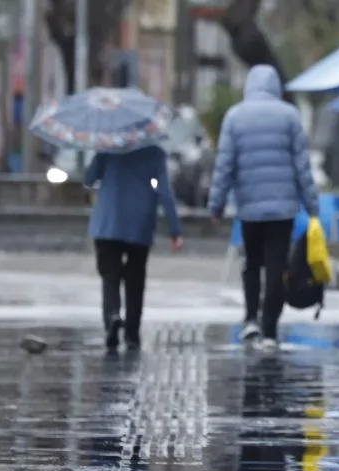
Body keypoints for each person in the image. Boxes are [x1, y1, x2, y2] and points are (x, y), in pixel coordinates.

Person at [208, 64, 318, 350]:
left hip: (249, 208)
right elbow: (302, 167)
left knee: (252, 264)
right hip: (283, 210)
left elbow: (224, 165)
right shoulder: (290, 117)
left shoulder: (234, 117)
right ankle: (270, 329)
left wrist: (216, 205)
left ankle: (250, 320)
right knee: (276, 266)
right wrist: (312, 204)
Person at [84, 145, 184, 351]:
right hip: (139, 223)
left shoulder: (109, 147)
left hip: (108, 222)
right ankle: (132, 333)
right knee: (135, 280)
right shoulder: (154, 153)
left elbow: (88, 178)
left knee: (110, 276)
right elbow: (164, 191)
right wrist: (175, 230)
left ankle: (112, 316)